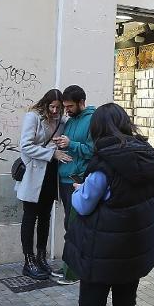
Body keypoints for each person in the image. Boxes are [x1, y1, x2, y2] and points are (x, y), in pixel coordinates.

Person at [40, 104, 154, 306]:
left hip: (101, 254)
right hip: (132, 252)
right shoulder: (149, 157)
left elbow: (83, 205)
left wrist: (79, 190)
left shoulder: (104, 163)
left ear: (97, 129)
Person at [16, 89, 63, 280]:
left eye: (58, 107)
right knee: (30, 217)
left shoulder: (61, 120)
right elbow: (25, 146)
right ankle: (28, 261)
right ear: (45, 103)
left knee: (45, 216)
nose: (55, 111)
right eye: (52, 106)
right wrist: (52, 153)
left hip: (51, 173)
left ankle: (41, 258)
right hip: (33, 174)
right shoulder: (33, 117)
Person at [53, 85, 96, 284]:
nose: (66, 110)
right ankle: (67, 266)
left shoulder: (92, 120)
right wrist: (60, 143)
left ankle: (74, 272)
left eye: (70, 106)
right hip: (64, 179)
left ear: (81, 102)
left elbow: (93, 150)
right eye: (65, 106)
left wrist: (71, 144)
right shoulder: (70, 120)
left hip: (78, 181)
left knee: (76, 227)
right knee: (68, 225)